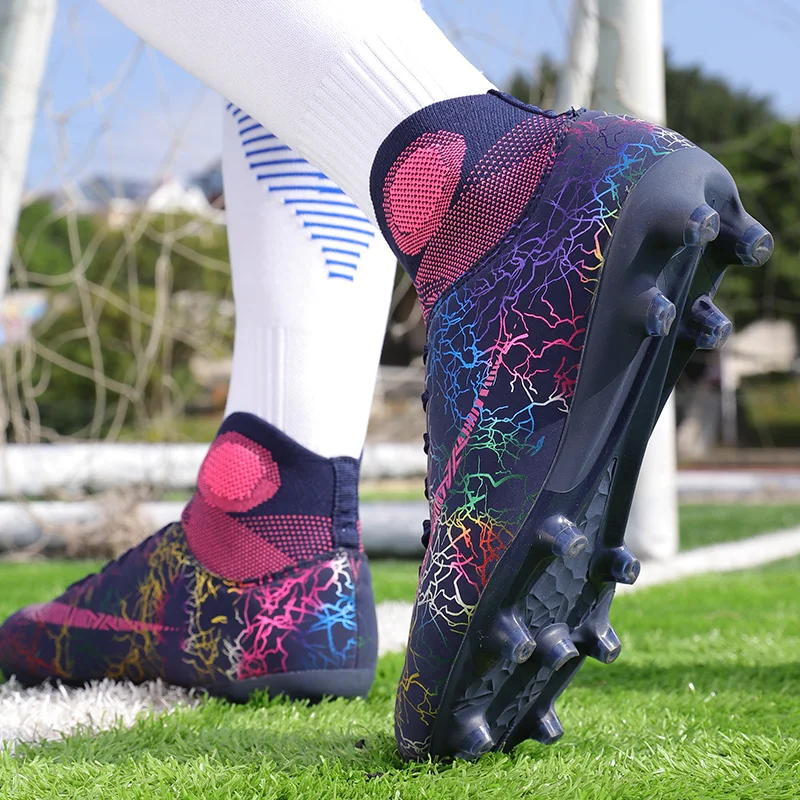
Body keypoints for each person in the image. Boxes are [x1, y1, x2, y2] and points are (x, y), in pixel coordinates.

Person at [0, 0, 773, 762]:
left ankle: (495, 191)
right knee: (281, 83)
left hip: (530, 198)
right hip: (279, 544)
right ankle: (275, 510)